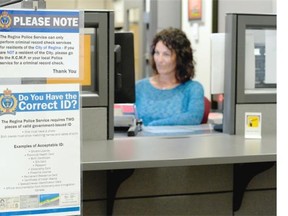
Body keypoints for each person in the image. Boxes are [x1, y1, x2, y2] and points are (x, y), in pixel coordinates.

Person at [135, 27, 204, 126]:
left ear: (180, 58)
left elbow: (193, 118)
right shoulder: (139, 87)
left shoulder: (193, 89)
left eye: (166, 54)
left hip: (178, 141)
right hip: (141, 141)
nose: (159, 60)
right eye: (157, 53)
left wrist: (151, 127)